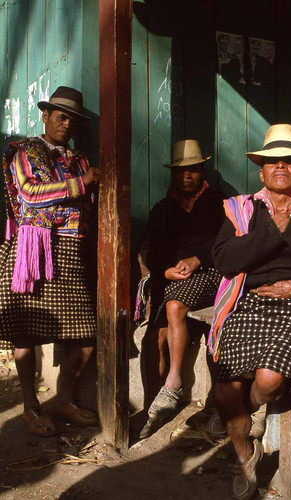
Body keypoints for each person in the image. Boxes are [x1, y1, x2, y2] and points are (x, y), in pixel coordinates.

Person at [209, 123, 291, 500]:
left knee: (268, 380)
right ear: (261, 171)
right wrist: (269, 233)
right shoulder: (242, 212)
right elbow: (225, 262)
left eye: (290, 161)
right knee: (225, 388)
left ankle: (249, 412)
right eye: (272, 162)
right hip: (247, 304)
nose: (281, 167)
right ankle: (246, 455)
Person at [0, 86, 101, 436]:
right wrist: (80, 185)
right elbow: (29, 193)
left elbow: (88, 207)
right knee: (25, 334)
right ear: (45, 116)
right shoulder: (25, 151)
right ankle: (30, 406)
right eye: (61, 116)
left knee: (85, 335)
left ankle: (65, 400)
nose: (66, 124)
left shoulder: (79, 159)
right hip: (32, 249)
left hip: (70, 250)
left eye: (72, 119)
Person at [138, 139, 225, 438]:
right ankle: (153, 404)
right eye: (181, 171)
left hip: (210, 273)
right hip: (174, 278)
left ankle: (173, 384)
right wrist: (165, 270)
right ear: (174, 174)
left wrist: (197, 258)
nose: (187, 175)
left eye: (193, 170)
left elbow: (225, 242)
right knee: (155, 335)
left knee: (174, 307)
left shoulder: (218, 202)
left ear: (202, 171)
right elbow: (148, 250)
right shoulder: (163, 209)